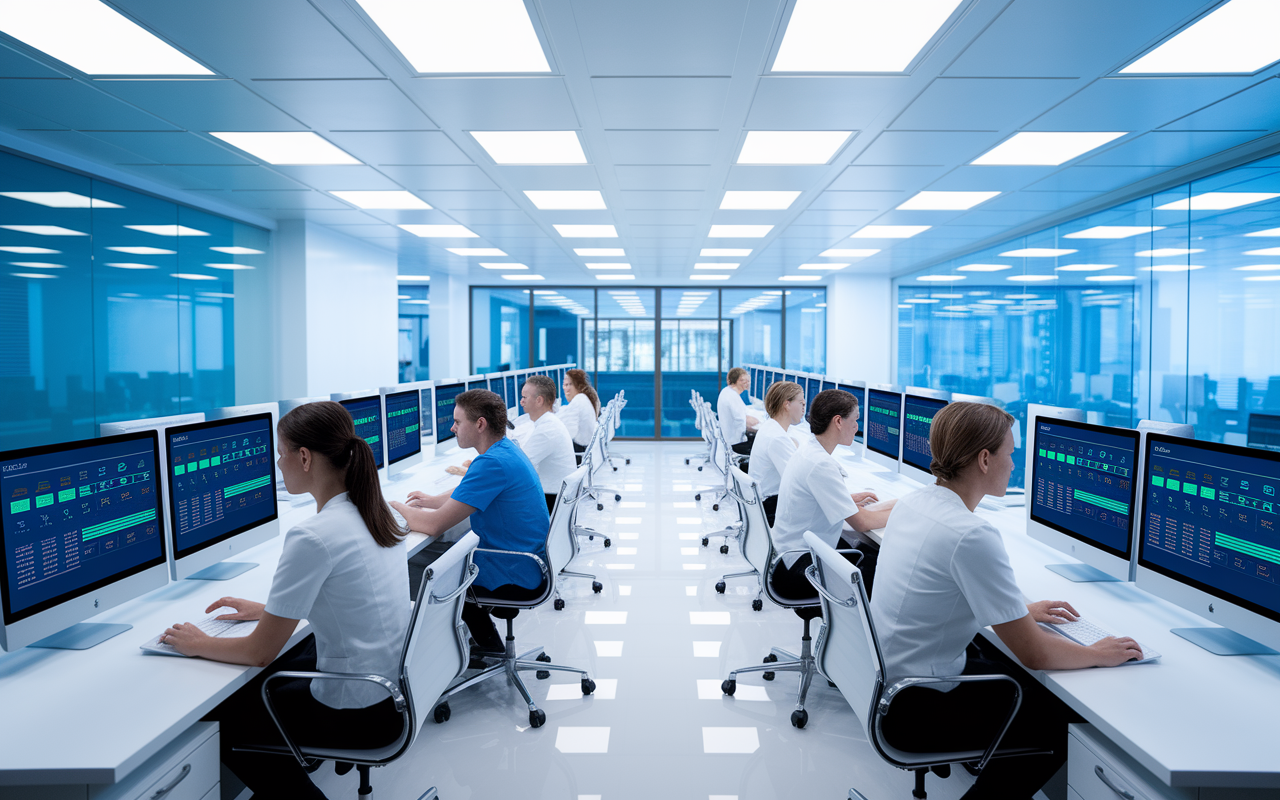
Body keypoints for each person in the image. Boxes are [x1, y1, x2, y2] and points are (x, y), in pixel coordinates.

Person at [871, 402, 1143, 800]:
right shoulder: (970, 534)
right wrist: (1099, 652)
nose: (1015, 464)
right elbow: (1033, 653)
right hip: (916, 706)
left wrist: (1017, 612)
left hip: (890, 684)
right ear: (984, 459)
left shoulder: (915, 504)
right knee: (1057, 715)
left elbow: (939, 596)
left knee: (1000, 662)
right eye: (1010, 453)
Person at [160, 401, 410, 800]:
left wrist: (196, 643)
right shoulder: (382, 514)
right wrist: (269, 611)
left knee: (226, 716)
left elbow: (260, 652)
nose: (278, 464)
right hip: (389, 694)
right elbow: (351, 595)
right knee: (287, 661)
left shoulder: (313, 536)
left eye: (281, 454)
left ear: (305, 457)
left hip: (359, 712)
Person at [391, 389, 549, 660]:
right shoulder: (504, 450)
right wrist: (431, 500)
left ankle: (430, 660)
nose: (452, 427)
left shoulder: (492, 463)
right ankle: (485, 641)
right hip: (527, 561)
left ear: (479, 424)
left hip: (513, 570)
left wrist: (392, 507)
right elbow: (468, 490)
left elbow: (434, 526)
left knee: (408, 564)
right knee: (444, 551)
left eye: (457, 422)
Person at [770, 389, 893, 599]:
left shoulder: (810, 451)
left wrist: (846, 499)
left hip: (788, 558)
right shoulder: (820, 464)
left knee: (862, 548)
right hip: (799, 570)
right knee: (879, 561)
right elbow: (861, 523)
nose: (857, 427)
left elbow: (814, 498)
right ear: (838, 421)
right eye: (855, 420)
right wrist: (904, 510)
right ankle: (867, 630)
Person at [512, 375, 577, 513]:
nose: (521, 402)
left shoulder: (547, 430)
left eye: (524, 397)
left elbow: (518, 466)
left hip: (551, 500)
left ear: (539, 400)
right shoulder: (548, 423)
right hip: (557, 496)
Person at [748, 380, 805, 526]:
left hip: (764, 503)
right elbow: (798, 483)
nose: (804, 408)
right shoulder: (777, 438)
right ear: (787, 404)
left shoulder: (770, 427)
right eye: (801, 403)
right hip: (772, 508)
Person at [718, 367, 760, 456]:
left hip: (730, 438)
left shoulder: (728, 392)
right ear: (739, 381)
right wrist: (760, 429)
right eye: (745, 381)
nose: (748, 383)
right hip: (738, 443)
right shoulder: (732, 396)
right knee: (766, 441)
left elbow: (740, 417)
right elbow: (742, 422)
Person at [559, 368, 601, 454]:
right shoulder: (583, 398)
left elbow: (570, 433)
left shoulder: (578, 401)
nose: (565, 388)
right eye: (564, 385)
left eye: (568, 384)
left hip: (579, 452)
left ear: (577, 385)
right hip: (586, 448)